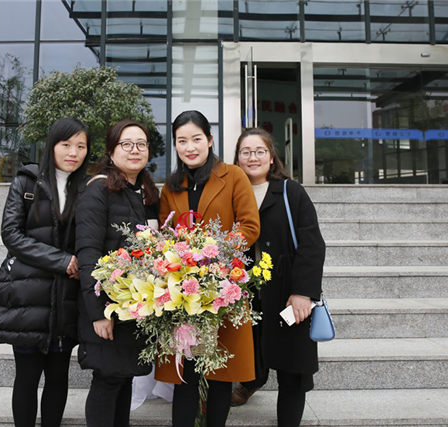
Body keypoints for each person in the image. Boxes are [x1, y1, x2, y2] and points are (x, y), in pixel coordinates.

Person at [154, 110, 260, 427]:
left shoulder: (233, 176)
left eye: (196, 139)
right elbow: (164, 234)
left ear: (210, 140)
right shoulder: (171, 187)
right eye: (182, 141)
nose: (190, 147)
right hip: (183, 292)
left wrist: (213, 253)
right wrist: (180, 258)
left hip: (222, 288)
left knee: (220, 375)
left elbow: (250, 226)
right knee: (186, 372)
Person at [0, 117, 90, 426]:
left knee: (58, 376)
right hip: (27, 295)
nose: (73, 152)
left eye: (81, 146)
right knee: (27, 376)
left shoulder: (88, 188)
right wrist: (61, 261)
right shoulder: (26, 182)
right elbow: (11, 234)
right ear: (52, 146)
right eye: (66, 145)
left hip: (66, 298)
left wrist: (82, 263)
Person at [231, 128, 325, 427]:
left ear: (271, 157)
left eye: (260, 151)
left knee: (292, 368)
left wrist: (303, 292)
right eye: (246, 152)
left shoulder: (290, 192)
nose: (253, 157)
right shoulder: (232, 192)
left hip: (286, 293)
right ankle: (251, 382)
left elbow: (312, 245)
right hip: (243, 295)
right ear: (237, 158)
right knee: (250, 351)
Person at [76, 119, 160, 427]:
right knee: (108, 379)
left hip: (133, 307)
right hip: (107, 307)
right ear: (111, 151)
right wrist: (99, 313)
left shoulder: (143, 192)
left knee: (124, 377)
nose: (134, 150)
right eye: (126, 144)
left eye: (141, 144)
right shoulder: (98, 191)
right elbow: (88, 255)